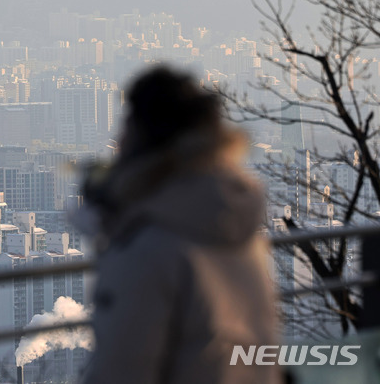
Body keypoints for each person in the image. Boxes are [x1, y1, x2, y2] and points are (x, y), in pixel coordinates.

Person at [79, 66, 280, 384]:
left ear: (141, 137)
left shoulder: (148, 249)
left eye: (126, 125)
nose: (117, 139)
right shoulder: (241, 231)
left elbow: (122, 370)